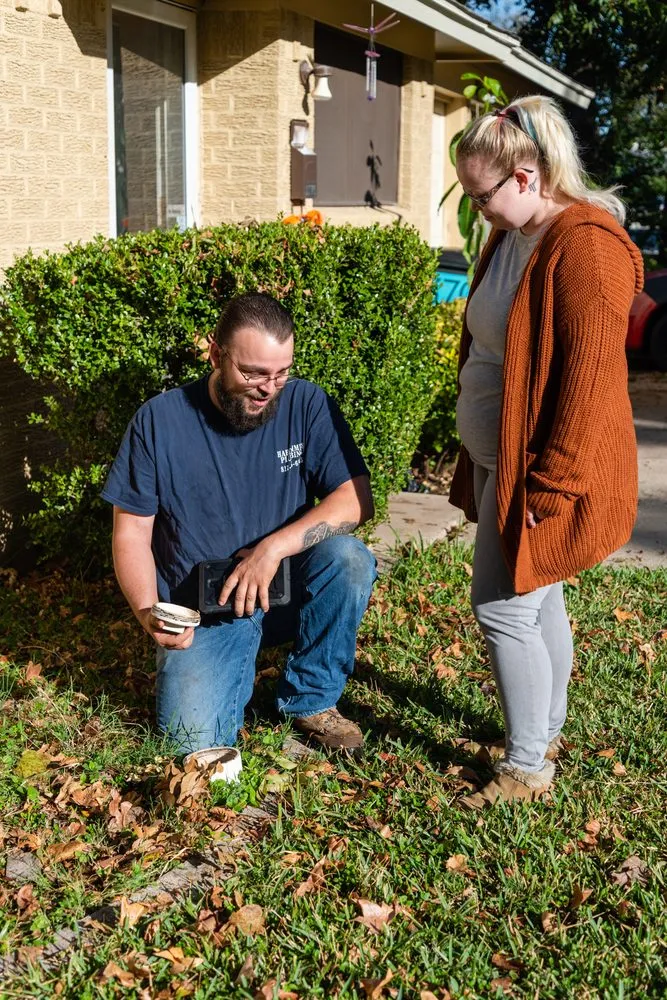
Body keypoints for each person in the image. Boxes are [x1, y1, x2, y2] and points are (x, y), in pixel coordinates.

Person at [449, 96, 643, 808]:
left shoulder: (584, 247)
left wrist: (551, 487)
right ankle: (548, 728)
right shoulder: (515, 235)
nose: (477, 212)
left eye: (482, 195)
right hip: (504, 459)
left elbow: (588, 384)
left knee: (501, 610)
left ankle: (527, 767)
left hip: (539, 472)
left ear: (526, 176)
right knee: (540, 600)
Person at [102, 292, 376, 754]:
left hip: (287, 586)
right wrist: (149, 611)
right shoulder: (159, 420)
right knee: (191, 746)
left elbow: (355, 500)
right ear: (216, 354)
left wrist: (271, 551)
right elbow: (130, 532)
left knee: (348, 559)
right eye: (253, 373)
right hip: (206, 608)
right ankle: (226, 668)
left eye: (281, 373)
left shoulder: (306, 404)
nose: (268, 387)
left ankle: (312, 698)